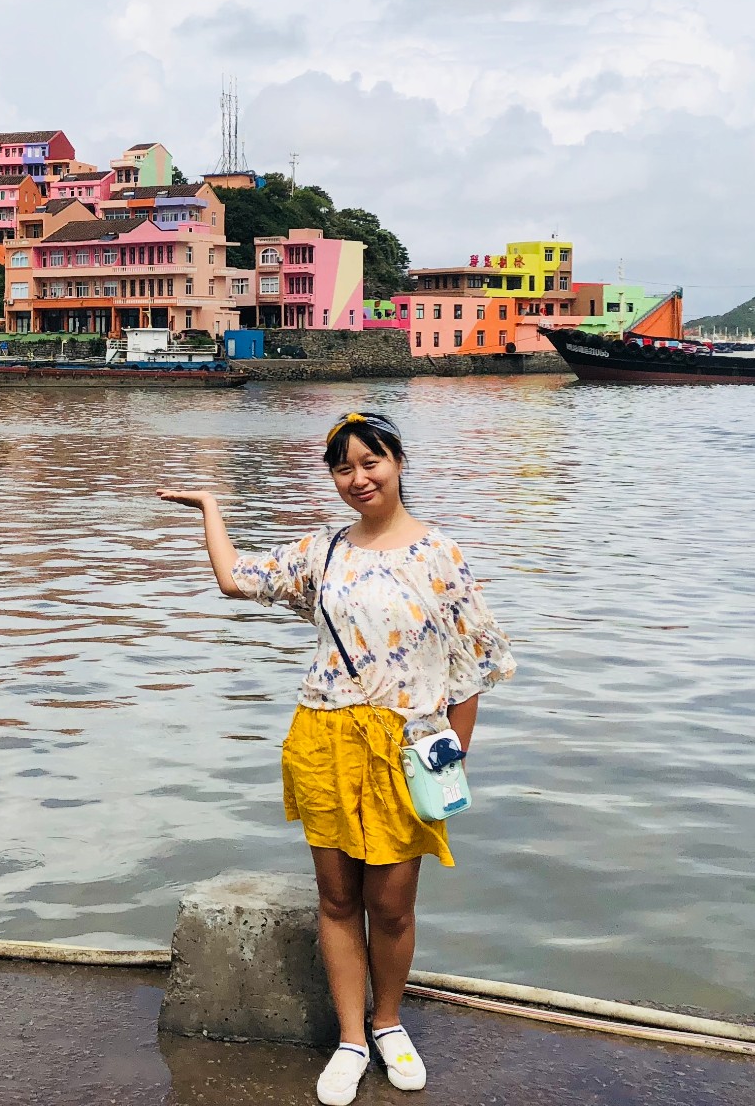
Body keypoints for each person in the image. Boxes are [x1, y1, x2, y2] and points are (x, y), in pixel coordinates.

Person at [159, 410, 515, 1105]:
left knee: (392, 904)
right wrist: (211, 508)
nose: (359, 478)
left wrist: (453, 755)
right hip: (323, 736)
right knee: (336, 898)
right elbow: (235, 580)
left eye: (370, 462)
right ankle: (352, 1038)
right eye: (344, 467)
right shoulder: (322, 552)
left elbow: (474, 666)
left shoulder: (439, 555)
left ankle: (389, 1023)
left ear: (398, 462)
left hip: (405, 744)